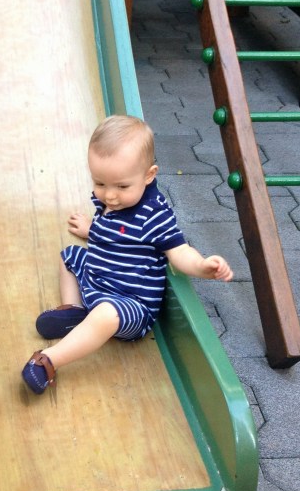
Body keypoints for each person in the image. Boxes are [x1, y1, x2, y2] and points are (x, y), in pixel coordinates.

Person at [21, 114, 233, 395]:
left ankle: (49, 361)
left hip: (130, 304)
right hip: (99, 281)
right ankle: (74, 311)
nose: (109, 196)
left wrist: (203, 266)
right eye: (100, 183)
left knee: (106, 314)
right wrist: (90, 229)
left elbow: (179, 252)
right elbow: (113, 229)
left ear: (149, 175)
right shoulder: (115, 193)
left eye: (121, 186)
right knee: (69, 256)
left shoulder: (154, 214)